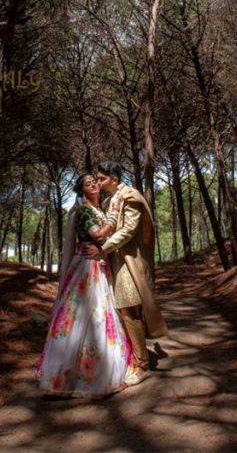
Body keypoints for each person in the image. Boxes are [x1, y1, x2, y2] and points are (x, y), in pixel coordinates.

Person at [36, 172, 139, 397]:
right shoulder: (83, 210)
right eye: (87, 184)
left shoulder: (98, 209)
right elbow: (98, 235)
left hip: (98, 266)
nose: (92, 185)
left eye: (94, 182)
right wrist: (113, 218)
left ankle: (101, 373)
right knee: (82, 317)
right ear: (81, 190)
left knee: (101, 316)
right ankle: (69, 378)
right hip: (86, 269)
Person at [79, 161, 168, 386]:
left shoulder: (130, 196)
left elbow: (128, 230)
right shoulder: (111, 200)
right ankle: (134, 359)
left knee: (130, 310)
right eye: (96, 179)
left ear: (114, 179)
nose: (98, 183)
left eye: (101, 179)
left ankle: (141, 366)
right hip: (116, 262)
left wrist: (102, 249)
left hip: (131, 262)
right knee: (123, 312)